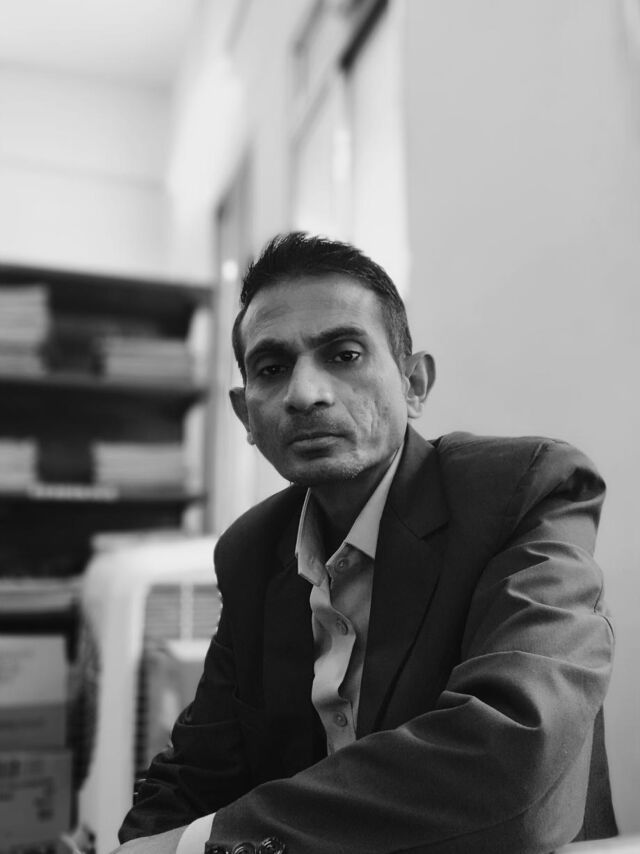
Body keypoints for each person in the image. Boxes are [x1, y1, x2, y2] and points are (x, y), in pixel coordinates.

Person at [117, 232, 617, 854]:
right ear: (246, 415)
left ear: (414, 384)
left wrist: (199, 845)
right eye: (272, 369)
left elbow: (515, 755)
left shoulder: (525, 492)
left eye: (345, 355)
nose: (306, 394)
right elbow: (196, 771)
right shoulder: (252, 551)